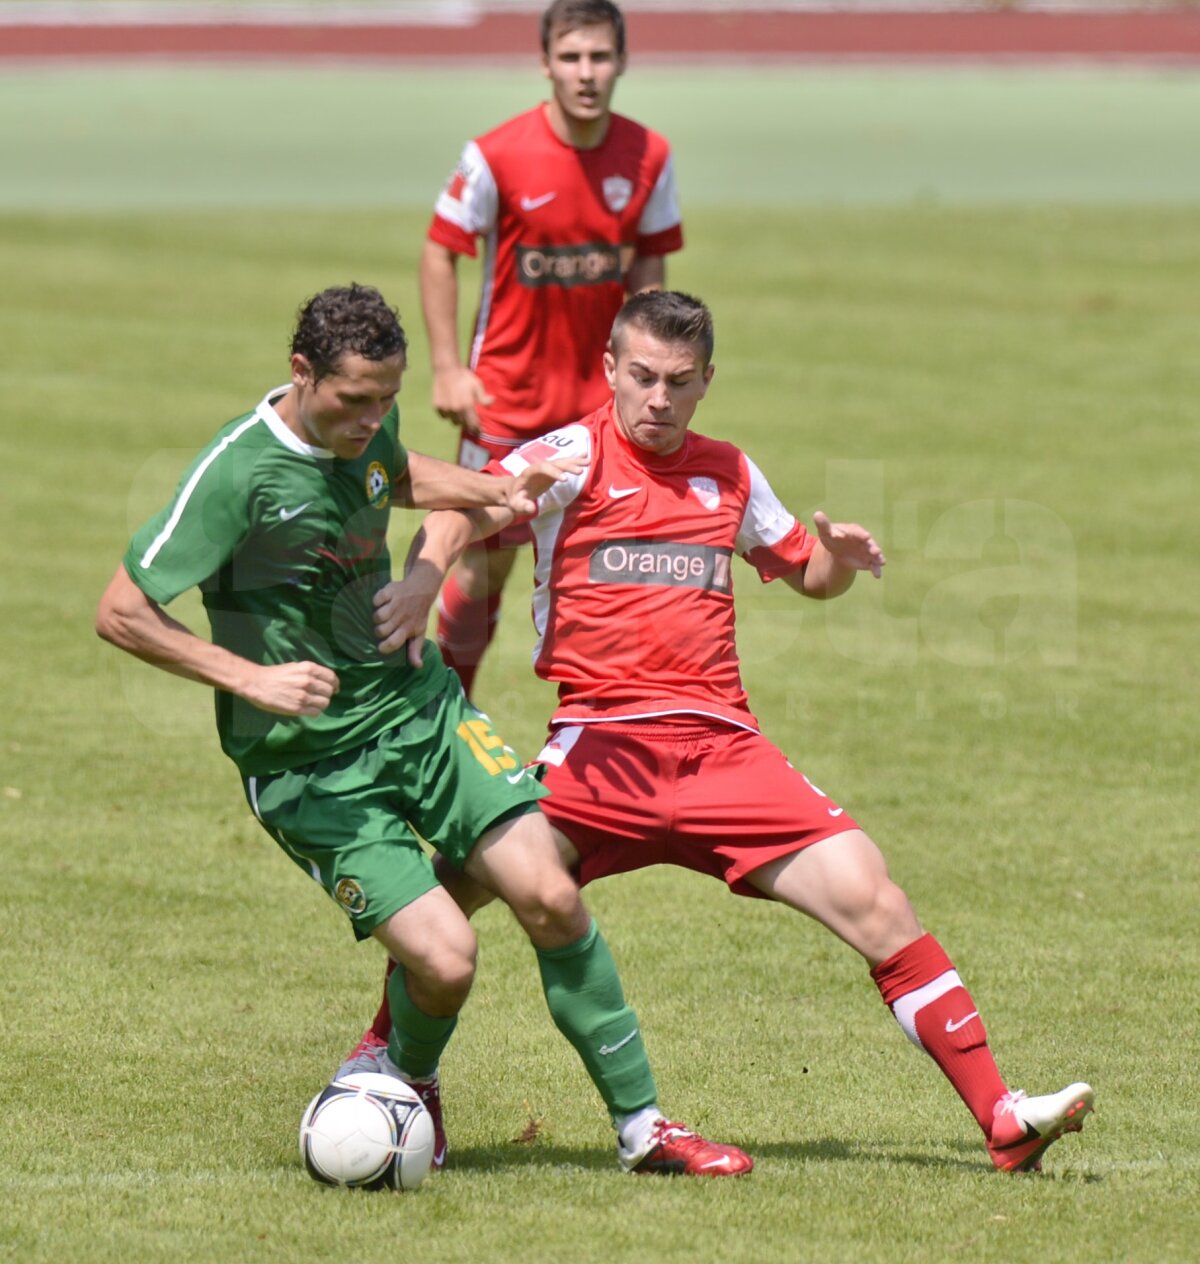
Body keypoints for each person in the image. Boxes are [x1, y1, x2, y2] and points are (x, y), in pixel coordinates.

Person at [355, 290, 1096, 1175]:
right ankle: (392, 1074)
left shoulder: (731, 473)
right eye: (641, 378)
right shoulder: (571, 456)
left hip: (723, 750)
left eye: (678, 381)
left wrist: (841, 562)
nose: (658, 399)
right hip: (601, 749)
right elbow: (461, 509)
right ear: (609, 372)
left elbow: (805, 573)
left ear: (707, 380)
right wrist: (424, 580)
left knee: (874, 896)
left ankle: (1004, 1119)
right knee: (454, 894)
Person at [95, 283, 752, 1180]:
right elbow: (123, 613)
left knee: (551, 894)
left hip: (419, 711)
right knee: (448, 959)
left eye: (385, 399)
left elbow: (396, 477)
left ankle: (645, 1131)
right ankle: (401, 1078)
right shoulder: (237, 474)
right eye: (353, 400)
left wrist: (497, 490)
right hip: (310, 767)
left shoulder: (368, 431)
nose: (372, 418)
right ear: (301, 373)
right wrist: (250, 677)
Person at [423, 0, 683, 698]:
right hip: (507, 401)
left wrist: (646, 376)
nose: (586, 73)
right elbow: (441, 251)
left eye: (600, 57)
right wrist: (449, 368)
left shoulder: (649, 155)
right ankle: (450, 723)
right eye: (571, 58)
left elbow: (651, 267)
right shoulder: (496, 154)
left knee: (612, 574)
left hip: (601, 411)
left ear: (622, 62)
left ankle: (599, 733)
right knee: (483, 572)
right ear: (545, 64)